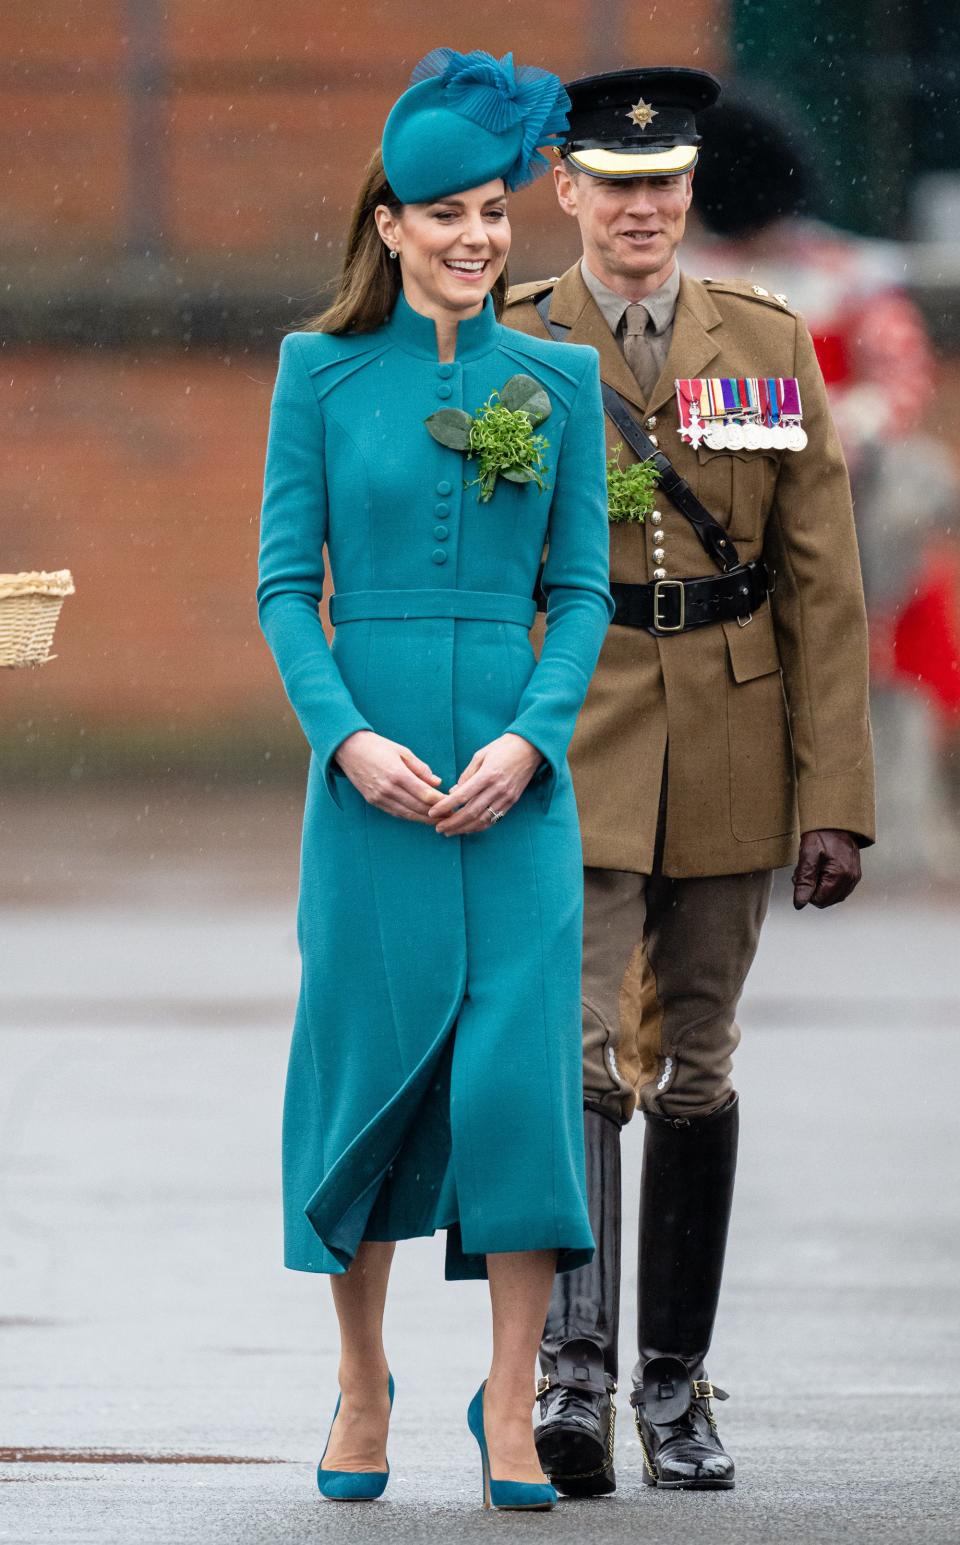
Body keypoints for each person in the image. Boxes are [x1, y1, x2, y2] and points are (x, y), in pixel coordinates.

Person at [504, 66, 875, 1495]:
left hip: (731, 727)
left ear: (689, 194)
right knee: (585, 1047)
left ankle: (675, 1384)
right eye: (616, 183)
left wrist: (833, 791)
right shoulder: (517, 344)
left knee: (699, 1060)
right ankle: (576, 1375)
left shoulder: (762, 341)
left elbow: (822, 582)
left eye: (664, 186)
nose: (642, 209)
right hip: (577, 728)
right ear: (570, 192)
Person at [256, 47, 614, 1511]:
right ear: (389, 226)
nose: (477, 235)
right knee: (368, 1083)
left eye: (492, 210)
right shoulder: (317, 371)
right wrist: (344, 736)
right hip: (370, 786)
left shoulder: (563, 381)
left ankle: (513, 1404)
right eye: (444, 213)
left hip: (518, 787)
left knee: (521, 1091)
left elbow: (583, 588)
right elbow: (287, 586)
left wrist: (535, 736)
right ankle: (362, 1379)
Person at [686, 93, 960, 880]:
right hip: (740, 507)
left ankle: (891, 836)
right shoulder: (691, 280)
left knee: (882, 674)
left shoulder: (849, 275)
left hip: (852, 496)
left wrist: (842, 430)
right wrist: (798, 426)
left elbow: (902, 380)